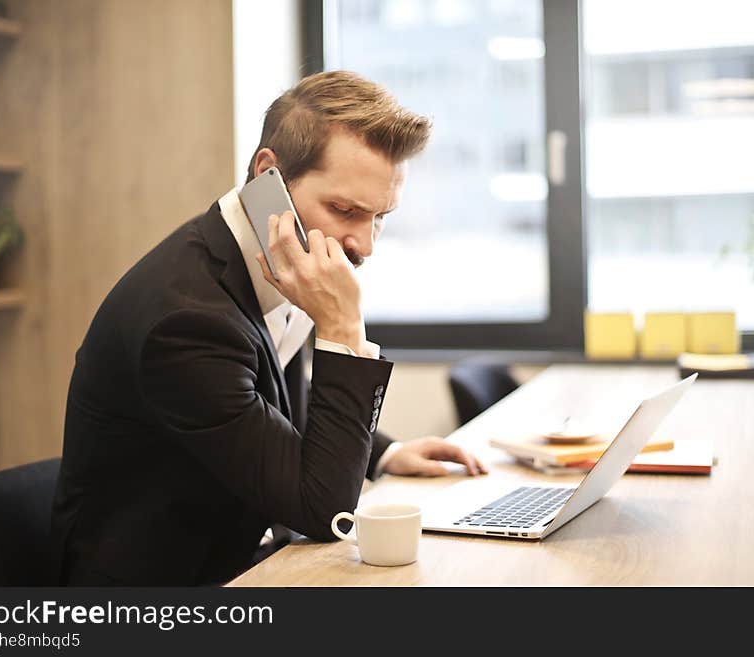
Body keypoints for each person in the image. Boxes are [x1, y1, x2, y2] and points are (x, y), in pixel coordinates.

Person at [50, 70, 487, 586]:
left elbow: (269, 393)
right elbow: (323, 510)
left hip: (253, 557)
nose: (363, 245)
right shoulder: (185, 321)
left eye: (380, 217)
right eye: (344, 210)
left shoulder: (279, 254)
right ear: (267, 178)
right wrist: (342, 327)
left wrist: (382, 452)